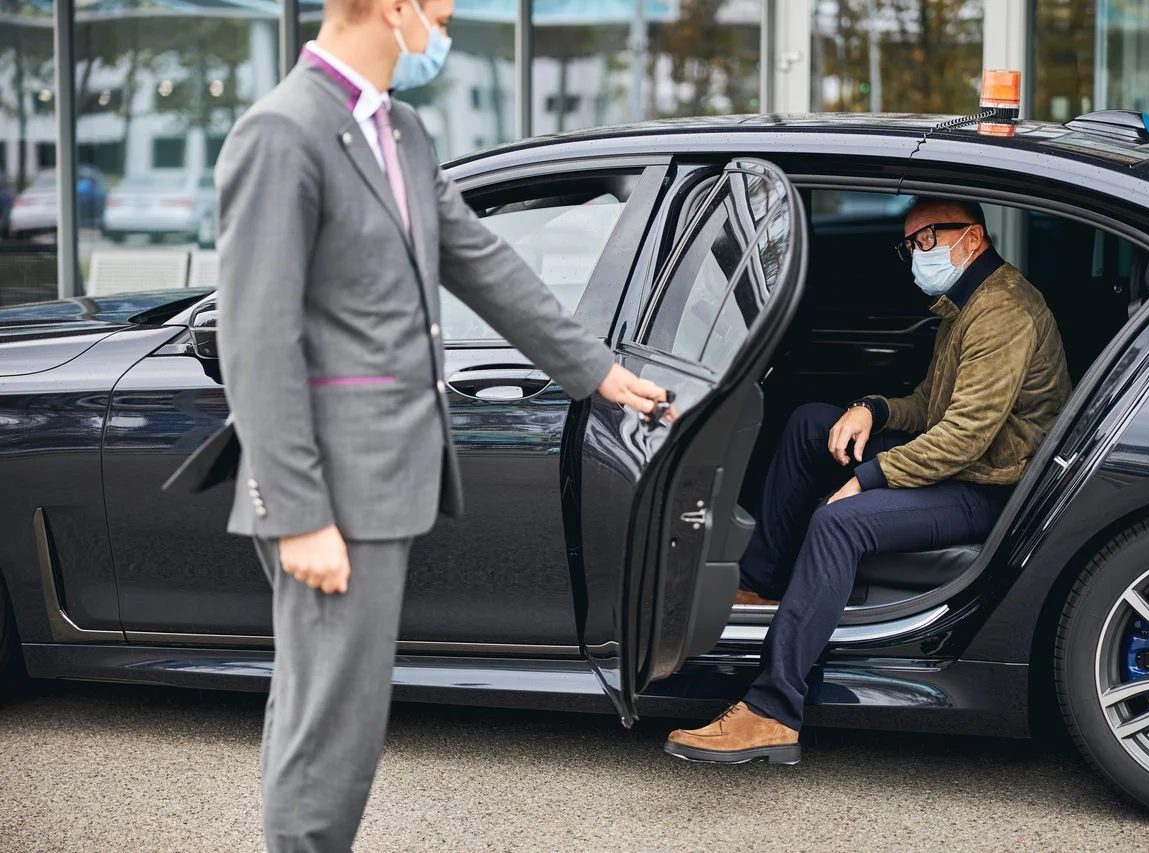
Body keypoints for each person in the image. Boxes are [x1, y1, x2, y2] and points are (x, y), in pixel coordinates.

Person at [214, 0, 669, 848]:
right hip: (329, 490)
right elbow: (255, 335)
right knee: (332, 728)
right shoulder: (281, 132)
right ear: (394, 9)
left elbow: (483, 262)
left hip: (381, 478)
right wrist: (300, 509)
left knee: (324, 712)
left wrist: (598, 370)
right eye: (443, 13)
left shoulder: (402, 130)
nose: (445, 33)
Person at [664, 197, 1071, 765]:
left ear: (972, 238)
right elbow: (932, 405)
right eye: (909, 245)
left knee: (838, 523)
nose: (915, 255)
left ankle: (772, 710)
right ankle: (760, 583)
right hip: (963, 463)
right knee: (813, 423)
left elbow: (965, 437)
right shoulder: (968, 303)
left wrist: (870, 477)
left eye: (925, 239)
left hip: (987, 487)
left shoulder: (1004, 314)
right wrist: (872, 410)